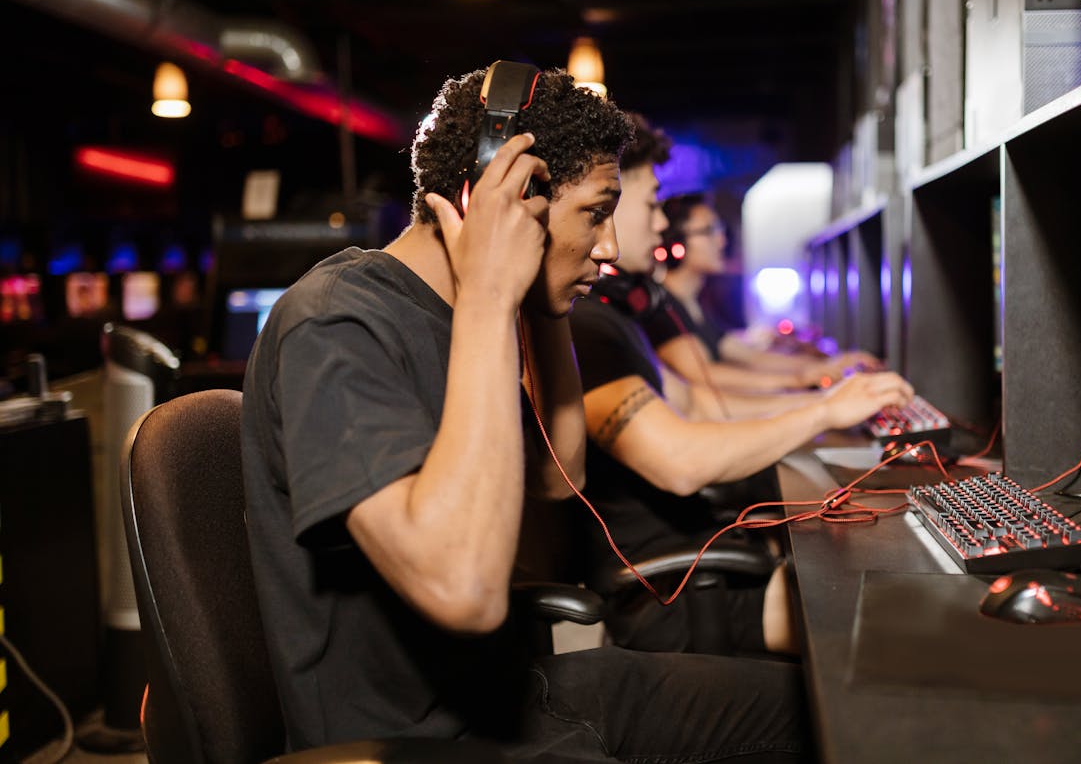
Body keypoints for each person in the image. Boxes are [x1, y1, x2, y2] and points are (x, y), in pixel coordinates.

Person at [241, 66, 811, 761]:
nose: (608, 249)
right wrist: (490, 289)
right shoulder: (337, 323)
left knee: (814, 715)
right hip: (423, 742)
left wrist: (542, 308)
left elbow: (557, 474)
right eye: (596, 211)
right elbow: (465, 590)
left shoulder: (463, 314)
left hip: (518, 693)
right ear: (504, 199)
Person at [569, 114, 916, 656]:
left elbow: (702, 401)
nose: (662, 226)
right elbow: (680, 463)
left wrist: (820, 396)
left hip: (703, 557)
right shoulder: (587, 328)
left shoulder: (613, 323)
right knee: (891, 612)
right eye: (653, 203)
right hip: (673, 597)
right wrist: (821, 410)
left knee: (892, 562)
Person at [652, 193, 882, 394]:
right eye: (709, 230)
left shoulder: (692, 304)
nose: (721, 240)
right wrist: (800, 380)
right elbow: (704, 376)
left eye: (720, 229)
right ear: (676, 243)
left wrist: (827, 365)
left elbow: (749, 356)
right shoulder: (662, 306)